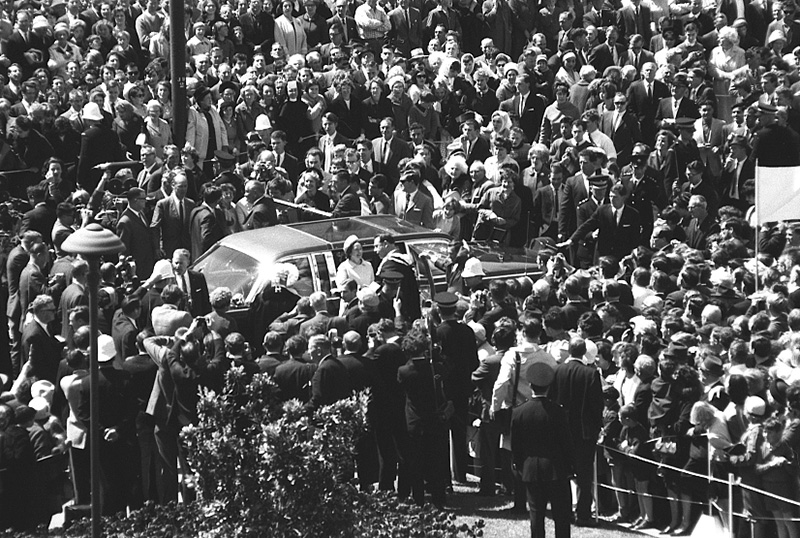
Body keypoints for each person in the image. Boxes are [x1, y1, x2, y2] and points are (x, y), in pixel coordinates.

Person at [511, 361, 574, 538]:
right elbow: (566, 443)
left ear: (530, 385)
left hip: (531, 468)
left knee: (536, 514)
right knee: (561, 515)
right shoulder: (558, 411)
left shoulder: (519, 412)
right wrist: (571, 466)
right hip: (556, 469)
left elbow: (516, 445)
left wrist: (519, 464)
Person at [547, 336, 604, 526]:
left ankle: (564, 511)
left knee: (562, 473)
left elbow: (551, 400)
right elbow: (597, 406)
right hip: (583, 432)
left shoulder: (557, 370)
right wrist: (597, 427)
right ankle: (583, 514)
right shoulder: (591, 374)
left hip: (560, 431)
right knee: (584, 474)